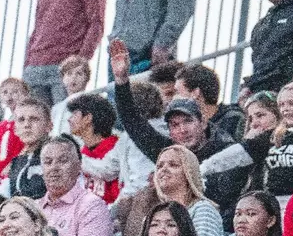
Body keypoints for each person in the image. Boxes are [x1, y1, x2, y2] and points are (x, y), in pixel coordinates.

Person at [108, 40, 252, 216]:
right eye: (175, 125)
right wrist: (121, 80)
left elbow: (223, 201)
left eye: (188, 121)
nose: (182, 130)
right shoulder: (170, 149)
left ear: (203, 122)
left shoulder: (225, 149)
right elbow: (133, 123)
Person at [37, 135, 108, 236]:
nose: (54, 168)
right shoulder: (35, 208)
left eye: (63, 161)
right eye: (48, 162)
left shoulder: (92, 205)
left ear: (79, 166)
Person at [64, 93, 119, 205]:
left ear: (88, 118)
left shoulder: (116, 148)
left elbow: (107, 173)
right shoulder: (83, 152)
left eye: (74, 114)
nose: (69, 119)